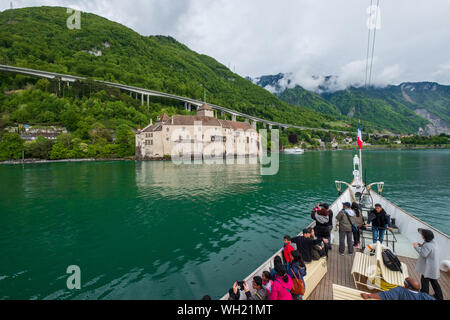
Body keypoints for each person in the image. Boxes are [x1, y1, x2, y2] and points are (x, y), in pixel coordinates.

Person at [414, 229, 443, 300]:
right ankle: (439, 296)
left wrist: (416, 247)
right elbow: (427, 246)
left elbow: (423, 254)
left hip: (428, 267)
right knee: (434, 282)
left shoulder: (428, 245)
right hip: (433, 266)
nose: (421, 235)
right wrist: (422, 245)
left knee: (424, 281)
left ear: (425, 236)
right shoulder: (433, 242)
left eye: (422, 234)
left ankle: (424, 296)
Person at [360, 277, 435, 300]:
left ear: (408, 286)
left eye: (404, 282)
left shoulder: (400, 290)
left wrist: (368, 296)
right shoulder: (423, 296)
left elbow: (384, 295)